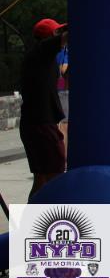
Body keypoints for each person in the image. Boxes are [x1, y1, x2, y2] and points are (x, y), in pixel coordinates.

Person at [19, 18, 68, 198]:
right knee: (54, 177)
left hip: (36, 123)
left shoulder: (42, 58)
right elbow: (65, 38)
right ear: (48, 37)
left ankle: (32, 215)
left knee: (42, 179)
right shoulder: (41, 51)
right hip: (41, 124)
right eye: (57, 32)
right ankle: (50, 213)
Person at [56, 44, 69, 145]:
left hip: (59, 88)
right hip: (63, 90)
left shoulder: (57, 50)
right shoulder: (64, 51)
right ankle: (64, 153)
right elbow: (63, 71)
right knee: (64, 125)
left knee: (60, 125)